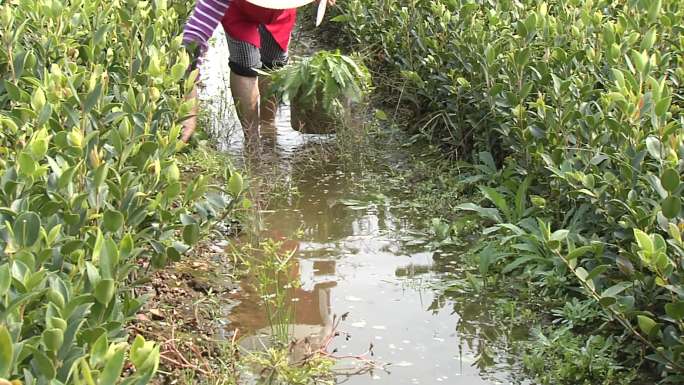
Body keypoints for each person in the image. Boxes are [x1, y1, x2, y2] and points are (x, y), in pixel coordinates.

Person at [180, 0, 335, 147]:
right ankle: (251, 139)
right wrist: (189, 102)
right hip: (238, 11)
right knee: (245, 65)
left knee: (274, 62)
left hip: (280, 13)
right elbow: (193, 39)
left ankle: (268, 126)